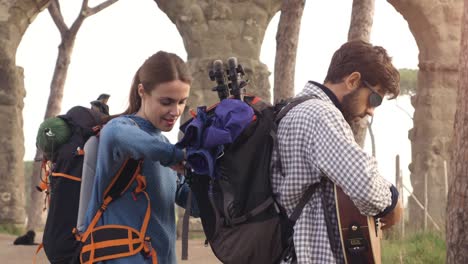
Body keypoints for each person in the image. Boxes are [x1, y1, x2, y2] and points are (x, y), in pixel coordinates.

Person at [271, 40, 403, 263]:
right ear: (353, 80)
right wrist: (394, 201)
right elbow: (366, 187)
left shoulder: (293, 108)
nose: (371, 111)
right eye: (375, 98)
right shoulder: (321, 115)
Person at [83, 51, 197, 263]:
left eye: (182, 102)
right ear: (142, 91)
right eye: (166, 102)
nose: (176, 111)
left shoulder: (165, 147)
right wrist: (182, 155)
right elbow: (140, 143)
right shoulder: (119, 129)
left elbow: (195, 205)